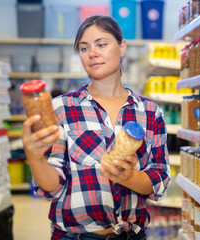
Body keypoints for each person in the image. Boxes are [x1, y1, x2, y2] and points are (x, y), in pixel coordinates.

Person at [22, 15, 171, 240]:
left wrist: (127, 176)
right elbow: (53, 187)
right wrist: (35, 158)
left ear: (122, 48)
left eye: (101, 44)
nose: (92, 53)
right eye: (84, 48)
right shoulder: (62, 108)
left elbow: (159, 179)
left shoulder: (150, 111)